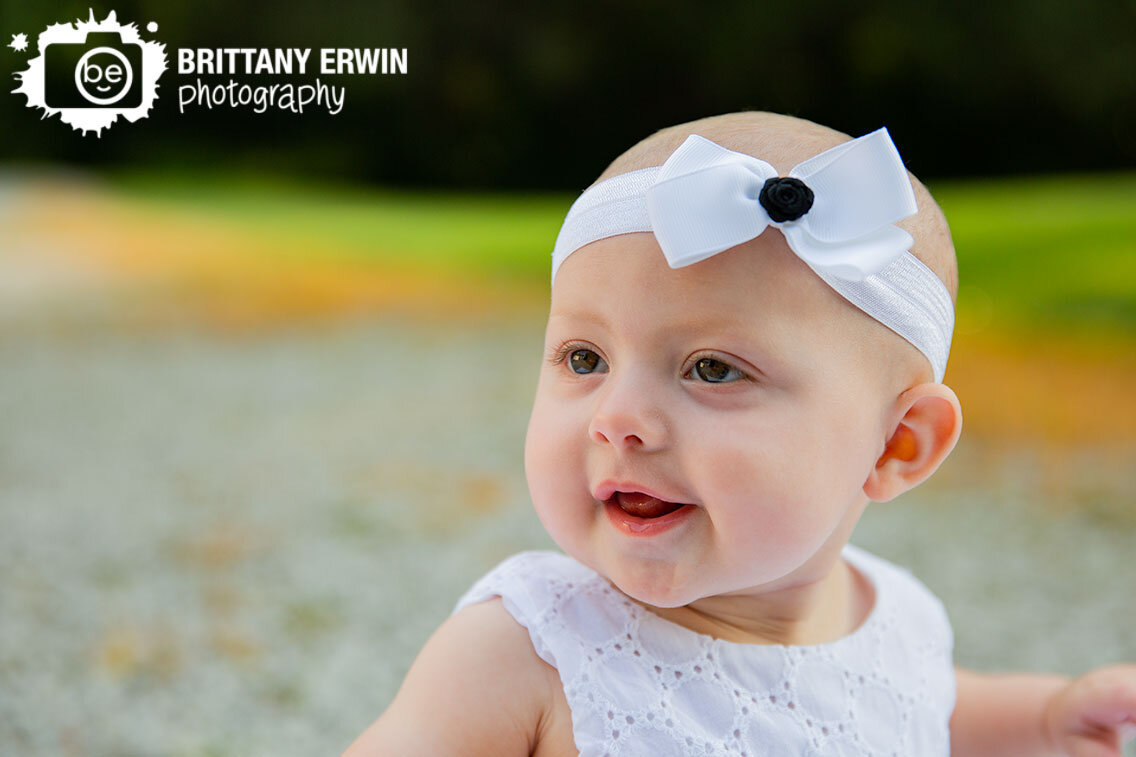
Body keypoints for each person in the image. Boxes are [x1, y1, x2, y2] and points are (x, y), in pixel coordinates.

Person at [342, 111, 1136, 756]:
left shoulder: (897, 621)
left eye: (712, 369)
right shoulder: (525, 651)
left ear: (899, 443)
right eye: (585, 357)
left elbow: (929, 709)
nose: (617, 418)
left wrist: (1042, 722)